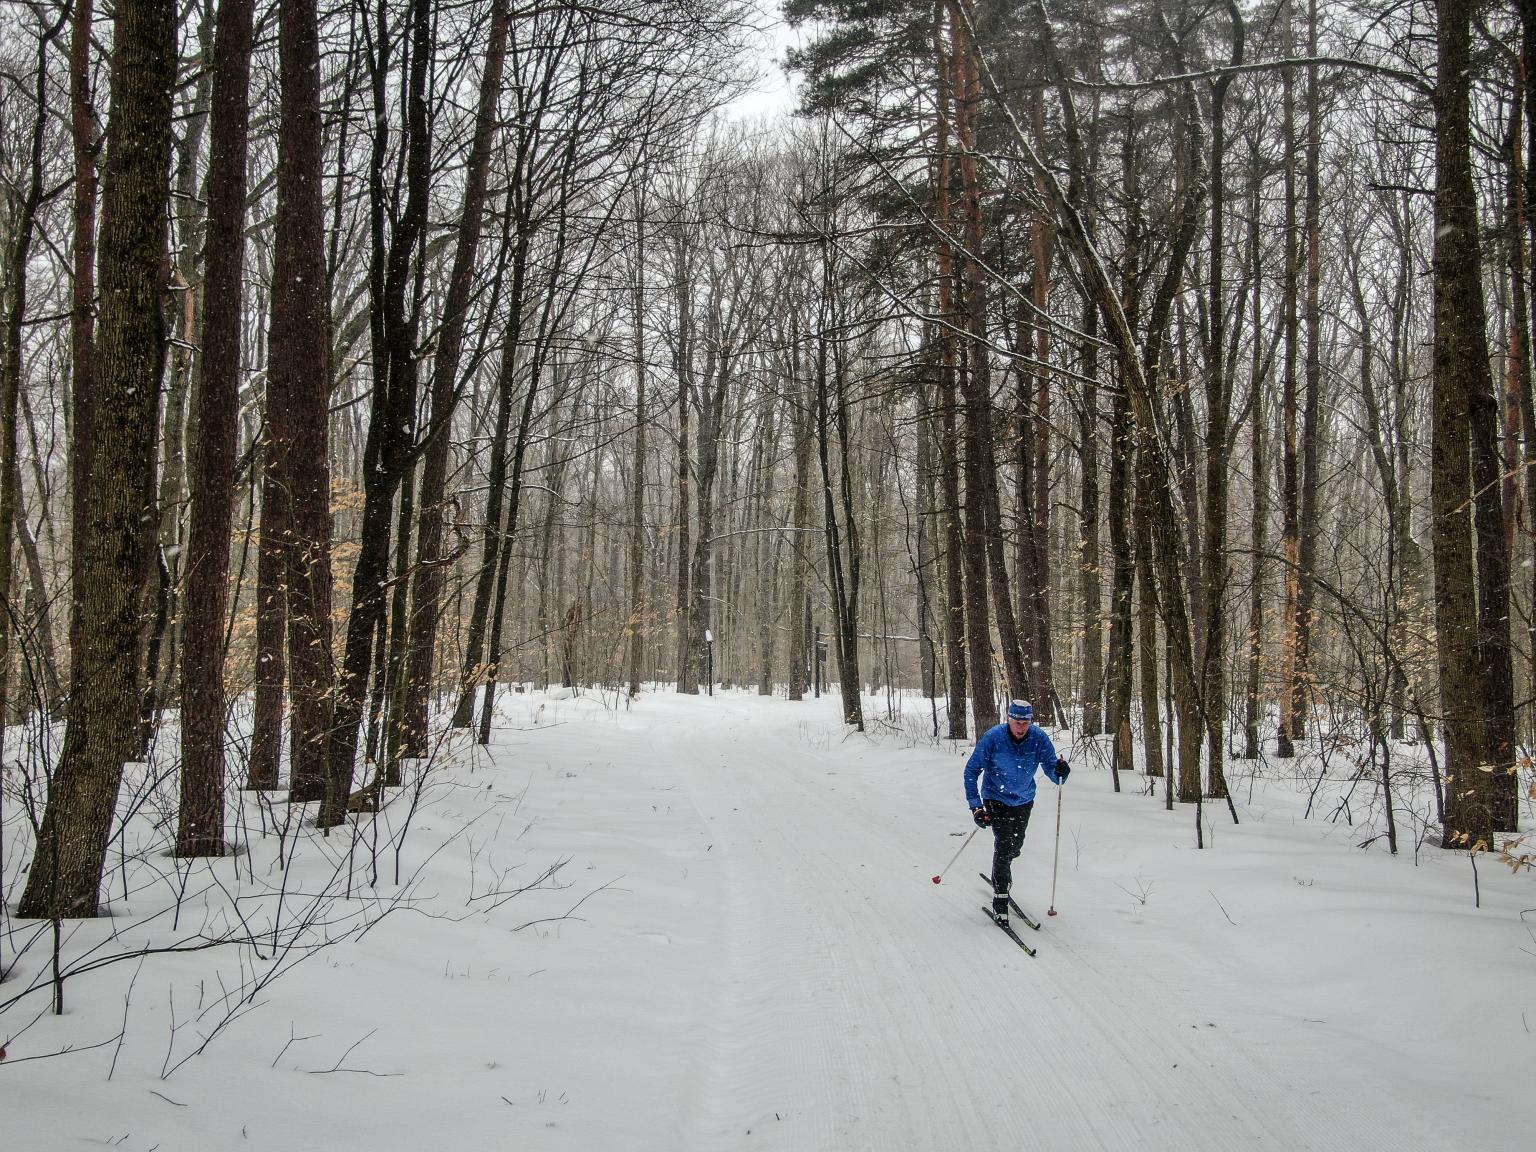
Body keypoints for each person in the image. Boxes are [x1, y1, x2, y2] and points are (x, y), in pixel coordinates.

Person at [963, 699, 1068, 926]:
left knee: (1015, 848)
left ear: (1031, 722)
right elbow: (971, 771)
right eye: (1017, 721)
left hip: (1023, 800)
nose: (1021, 727)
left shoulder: (1038, 738)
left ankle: (1002, 871)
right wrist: (976, 806)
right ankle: (1001, 896)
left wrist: (1061, 771)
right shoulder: (994, 737)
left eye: (1025, 722)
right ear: (1009, 719)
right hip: (995, 797)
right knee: (1004, 844)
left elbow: (1053, 770)